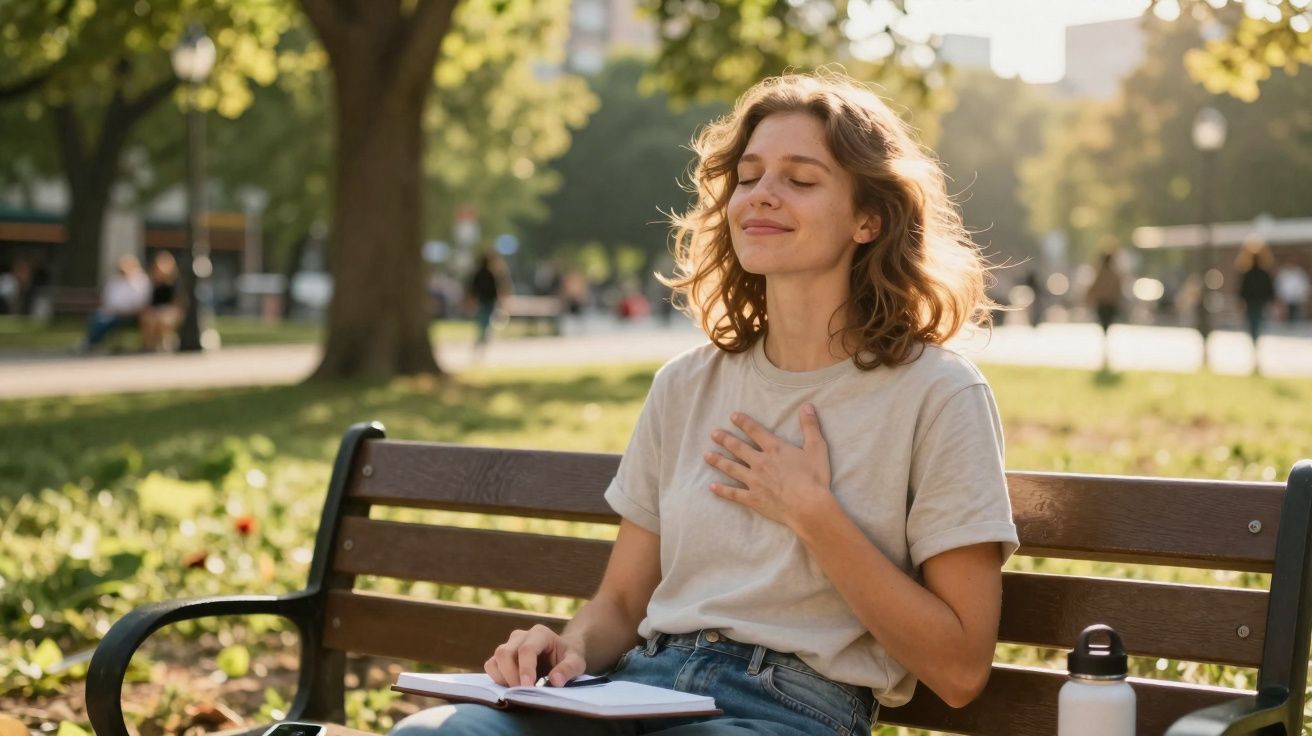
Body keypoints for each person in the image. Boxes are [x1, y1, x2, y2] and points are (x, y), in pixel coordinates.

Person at [391, 72, 1018, 736]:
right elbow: (622, 601)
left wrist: (814, 515)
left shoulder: (938, 394)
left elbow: (959, 669)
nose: (762, 195)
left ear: (870, 219)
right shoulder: (685, 385)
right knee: (434, 735)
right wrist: (568, 650)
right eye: (748, 177)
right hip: (637, 692)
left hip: (790, 709)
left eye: (801, 180)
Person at [76, 255, 150, 352]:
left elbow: (141, 303)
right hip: (111, 312)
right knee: (97, 318)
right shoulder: (114, 281)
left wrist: (122, 312)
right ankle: (90, 342)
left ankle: (90, 343)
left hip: (130, 314)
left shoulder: (141, 282)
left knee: (103, 321)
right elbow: (106, 300)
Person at [1236, 237, 1276, 359]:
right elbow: (1269, 289)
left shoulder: (1249, 273)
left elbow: (1242, 290)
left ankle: (1255, 341)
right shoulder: (1262, 273)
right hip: (1258, 302)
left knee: (1254, 322)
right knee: (1256, 322)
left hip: (1253, 302)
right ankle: (1255, 341)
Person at [466, 250, 508, 358]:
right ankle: (481, 341)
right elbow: (496, 290)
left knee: (483, 323)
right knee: (485, 323)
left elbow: (473, 289)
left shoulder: (480, 274)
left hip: (483, 302)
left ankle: (480, 341)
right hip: (487, 302)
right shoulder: (490, 274)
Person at [1086, 249, 1123, 371]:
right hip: (1109, 304)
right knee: (1106, 325)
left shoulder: (1101, 273)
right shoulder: (1113, 273)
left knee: (1104, 325)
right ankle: (1105, 343)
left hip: (1103, 303)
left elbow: (1094, 288)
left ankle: (1105, 343)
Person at [139, 252, 182, 352]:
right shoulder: (152, 283)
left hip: (169, 311)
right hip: (155, 311)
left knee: (163, 320)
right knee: (149, 319)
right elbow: (149, 302)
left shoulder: (175, 283)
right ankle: (149, 345)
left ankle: (163, 342)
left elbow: (177, 303)